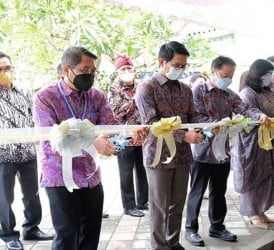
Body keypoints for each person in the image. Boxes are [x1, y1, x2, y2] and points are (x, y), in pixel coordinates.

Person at [33, 46, 118, 250]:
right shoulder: (45, 97)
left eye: (92, 71)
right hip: (59, 177)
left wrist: (120, 135)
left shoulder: (97, 96)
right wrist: (92, 141)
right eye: (83, 70)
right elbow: (51, 136)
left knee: (91, 231)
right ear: (66, 70)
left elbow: (108, 124)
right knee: (67, 233)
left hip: (91, 176)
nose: (89, 75)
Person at [184, 56, 267, 246]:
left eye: (230, 76)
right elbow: (195, 115)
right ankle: (191, 229)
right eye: (224, 75)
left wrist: (259, 115)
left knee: (219, 192)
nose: (227, 79)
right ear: (213, 71)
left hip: (222, 152)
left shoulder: (229, 94)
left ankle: (217, 227)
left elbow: (245, 108)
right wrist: (213, 125)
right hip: (202, 151)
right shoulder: (199, 90)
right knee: (197, 191)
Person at [135, 41, 204, 250]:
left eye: (184, 66)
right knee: (159, 207)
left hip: (182, 156)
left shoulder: (185, 89)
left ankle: (173, 243)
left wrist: (208, 126)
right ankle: (159, 246)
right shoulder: (147, 87)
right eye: (177, 65)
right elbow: (153, 123)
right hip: (158, 156)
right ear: (162, 62)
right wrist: (185, 136)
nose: (181, 70)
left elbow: (194, 115)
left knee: (177, 205)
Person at [231, 59, 274, 230]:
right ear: (258, 74)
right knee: (254, 177)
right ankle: (252, 214)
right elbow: (250, 116)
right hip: (254, 144)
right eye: (267, 74)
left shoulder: (268, 91)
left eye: (271, 73)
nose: (270, 77)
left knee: (268, 176)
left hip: (271, 143)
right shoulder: (247, 93)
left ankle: (261, 211)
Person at [0, 52, 54, 250]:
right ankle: (8, 235)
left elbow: (35, 118)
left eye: (7, 68)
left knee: (31, 192)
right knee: (4, 197)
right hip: (3, 155)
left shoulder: (24, 91)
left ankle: (32, 227)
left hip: (28, 152)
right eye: (0, 69)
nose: (5, 72)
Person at [108, 54, 148, 217]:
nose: (126, 71)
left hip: (142, 136)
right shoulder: (114, 88)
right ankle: (129, 206)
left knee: (143, 170)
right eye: (123, 69)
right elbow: (115, 113)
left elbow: (147, 106)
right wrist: (134, 102)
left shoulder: (141, 85)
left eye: (129, 69)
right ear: (118, 72)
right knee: (125, 173)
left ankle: (143, 201)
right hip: (123, 138)